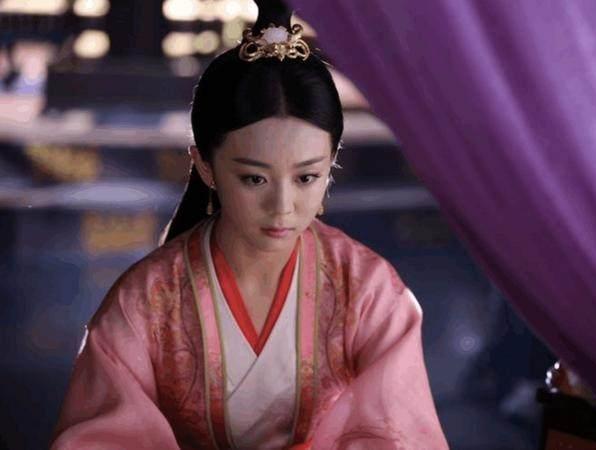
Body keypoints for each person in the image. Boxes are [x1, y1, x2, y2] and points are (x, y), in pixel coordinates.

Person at [50, 1, 449, 448]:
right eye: (254, 178)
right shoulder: (146, 300)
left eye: (307, 177)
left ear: (331, 163)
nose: (282, 207)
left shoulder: (367, 290)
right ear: (205, 165)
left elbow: (400, 436)